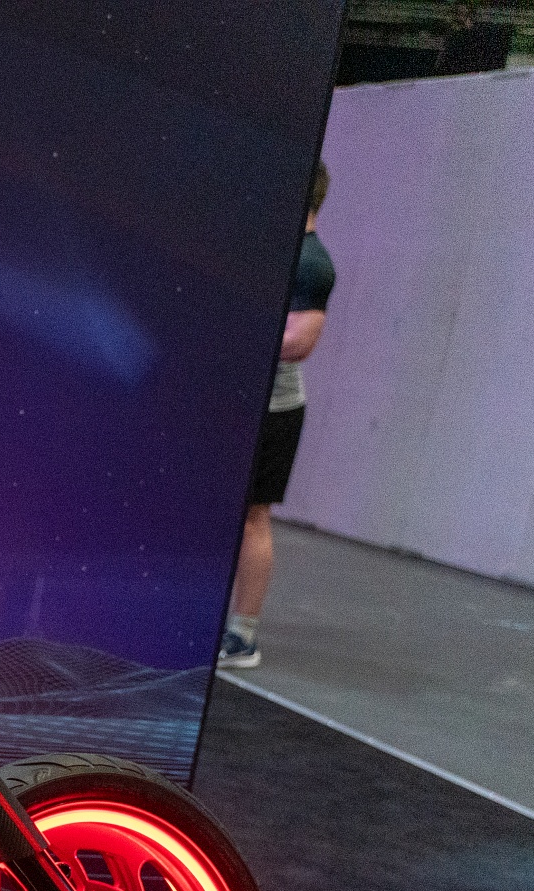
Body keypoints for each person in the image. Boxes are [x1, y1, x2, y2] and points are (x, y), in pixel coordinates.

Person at [219, 162, 335, 669]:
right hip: (239, 401)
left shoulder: (312, 264)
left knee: (252, 517)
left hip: (274, 410)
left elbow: (299, 342)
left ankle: (241, 637)